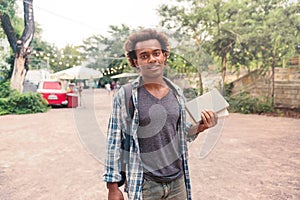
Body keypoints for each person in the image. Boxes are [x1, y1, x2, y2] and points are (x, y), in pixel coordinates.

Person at [103, 28, 218, 200]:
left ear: (164, 56)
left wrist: (200, 127)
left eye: (156, 53)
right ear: (135, 62)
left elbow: (179, 132)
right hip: (145, 185)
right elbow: (114, 141)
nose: (152, 59)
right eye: (144, 56)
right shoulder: (126, 95)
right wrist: (112, 187)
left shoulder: (176, 92)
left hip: (178, 182)